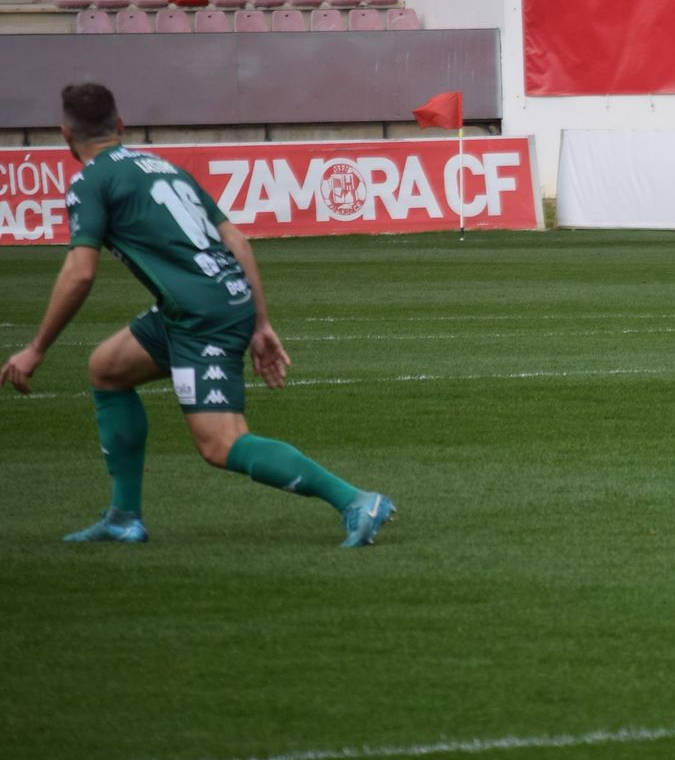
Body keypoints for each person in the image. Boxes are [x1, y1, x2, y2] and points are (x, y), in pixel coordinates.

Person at [0, 84, 395, 546]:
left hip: (199, 315)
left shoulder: (91, 182)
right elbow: (238, 242)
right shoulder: (163, 167)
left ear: (65, 134)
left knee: (221, 443)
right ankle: (124, 517)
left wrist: (37, 348)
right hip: (209, 301)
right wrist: (259, 322)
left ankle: (355, 501)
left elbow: (80, 272)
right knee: (106, 368)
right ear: (121, 126)